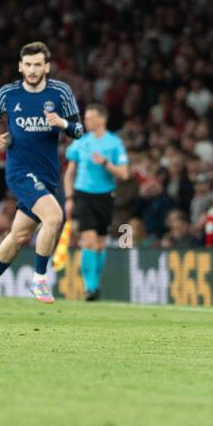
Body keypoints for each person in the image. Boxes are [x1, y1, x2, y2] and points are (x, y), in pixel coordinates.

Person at [0, 42, 83, 313]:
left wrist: (63, 124)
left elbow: (80, 130)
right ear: (20, 66)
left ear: (46, 66)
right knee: (54, 217)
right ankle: (39, 279)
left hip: (48, 175)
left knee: (19, 235)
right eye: (28, 64)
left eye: (38, 64)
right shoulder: (8, 93)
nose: (33, 70)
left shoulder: (61, 92)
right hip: (19, 171)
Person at [63, 103, 130, 301]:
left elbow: (124, 174)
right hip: (83, 194)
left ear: (102, 119)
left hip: (105, 196)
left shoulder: (114, 143)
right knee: (89, 240)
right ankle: (89, 287)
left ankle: (95, 284)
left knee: (100, 244)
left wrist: (106, 164)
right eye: (86, 117)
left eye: (90, 117)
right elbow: (69, 174)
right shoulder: (80, 143)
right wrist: (68, 198)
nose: (86, 121)